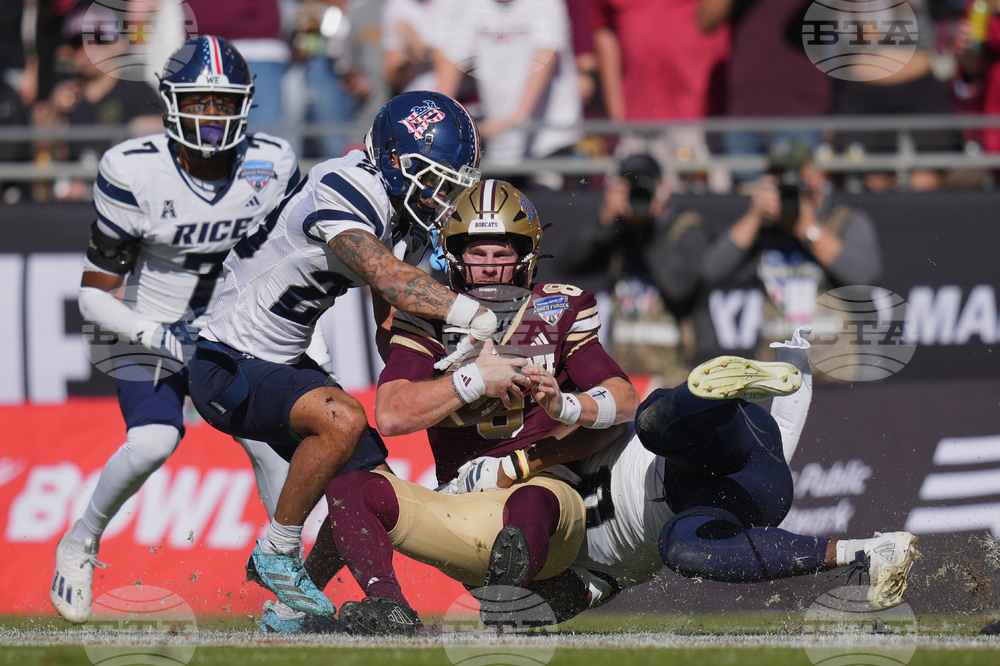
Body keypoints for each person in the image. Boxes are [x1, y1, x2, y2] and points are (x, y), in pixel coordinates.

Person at [186, 90, 492, 619]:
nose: (440, 197)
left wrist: (443, 365)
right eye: (434, 180)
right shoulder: (348, 184)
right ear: (395, 161)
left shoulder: (403, 217)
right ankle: (277, 549)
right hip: (224, 358)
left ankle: (290, 609)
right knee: (342, 419)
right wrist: (474, 315)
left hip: (278, 361)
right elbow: (389, 278)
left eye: (451, 186)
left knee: (364, 487)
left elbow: (389, 324)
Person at [49, 36, 304, 625]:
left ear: (244, 104)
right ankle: (81, 540)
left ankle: (286, 582)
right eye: (200, 101)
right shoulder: (134, 169)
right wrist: (157, 335)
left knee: (269, 448)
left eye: (223, 102)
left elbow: (288, 259)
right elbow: (93, 295)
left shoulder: (272, 164)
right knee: (154, 442)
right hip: (149, 324)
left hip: (233, 330)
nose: (212, 116)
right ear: (171, 102)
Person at [320, 179, 640, 635]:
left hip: (545, 505)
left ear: (526, 254)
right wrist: (469, 380)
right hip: (461, 502)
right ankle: (390, 610)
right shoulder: (429, 316)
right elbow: (391, 414)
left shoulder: (557, 308)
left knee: (534, 498)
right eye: (476, 252)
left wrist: (563, 406)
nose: (489, 267)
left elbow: (626, 401)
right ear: (452, 254)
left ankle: (509, 606)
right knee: (350, 486)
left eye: (502, 252)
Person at [456, 329, 921, 621]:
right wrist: (495, 593)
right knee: (679, 546)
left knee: (652, 425)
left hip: (701, 442)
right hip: (732, 499)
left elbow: (607, 419)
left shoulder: (544, 480)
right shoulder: (586, 577)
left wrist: (520, 462)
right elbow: (530, 612)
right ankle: (865, 552)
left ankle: (713, 393)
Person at [693, 143, 883, 362]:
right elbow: (710, 272)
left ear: (815, 176)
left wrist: (808, 230)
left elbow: (865, 276)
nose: (786, 184)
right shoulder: (763, 229)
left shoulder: (843, 220)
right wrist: (754, 217)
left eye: (794, 175)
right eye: (778, 177)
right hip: (777, 370)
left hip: (836, 367)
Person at [557, 153, 707, 383]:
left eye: (646, 186)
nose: (639, 194)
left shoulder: (685, 227)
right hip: (623, 373)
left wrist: (648, 228)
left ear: (663, 188)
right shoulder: (618, 230)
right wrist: (604, 220)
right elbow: (568, 265)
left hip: (674, 374)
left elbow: (681, 288)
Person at [435, 0, 583, 173]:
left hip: (548, 139)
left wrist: (516, 116)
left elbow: (545, 54)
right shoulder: (469, 5)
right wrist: (438, 116)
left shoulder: (546, 4)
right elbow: (452, 58)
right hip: (499, 141)